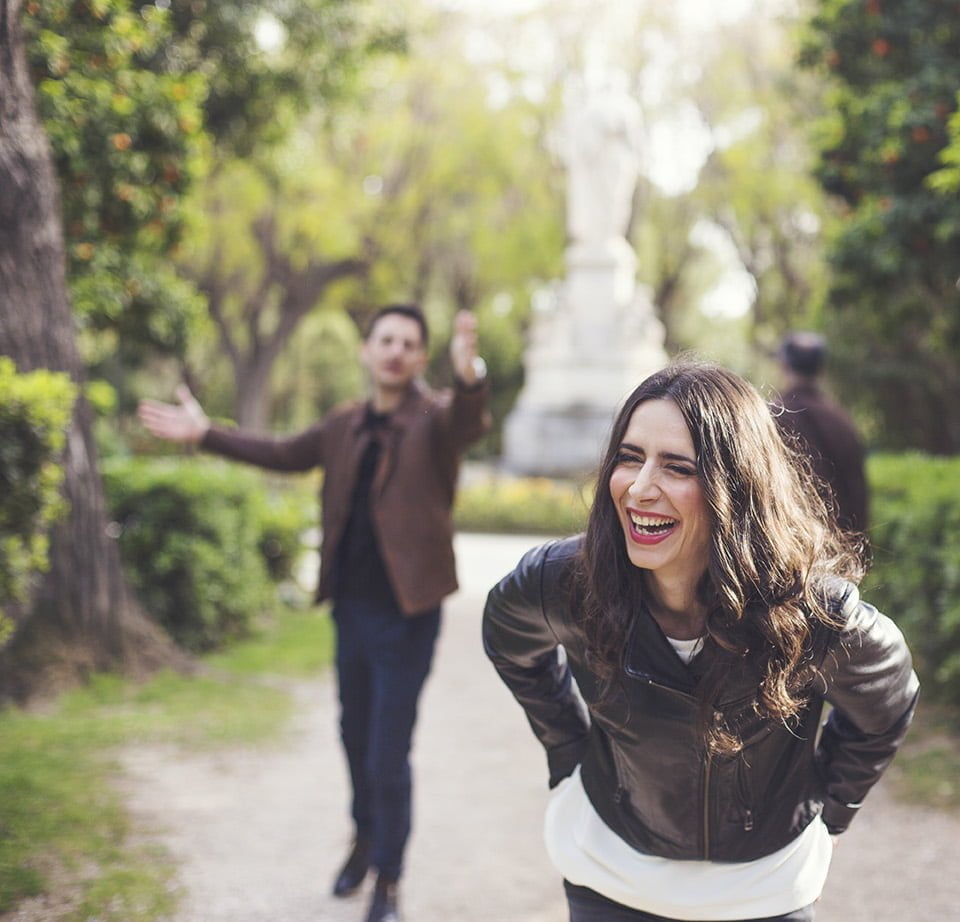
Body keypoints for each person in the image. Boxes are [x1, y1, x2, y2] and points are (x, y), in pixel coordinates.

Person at [482, 362, 919, 922]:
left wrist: (830, 809)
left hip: (763, 889)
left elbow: (889, 702)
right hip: (609, 872)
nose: (640, 489)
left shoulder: (814, 614)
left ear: (735, 486)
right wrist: (568, 748)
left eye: (677, 467)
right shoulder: (563, 582)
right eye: (630, 457)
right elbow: (508, 639)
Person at [138, 305, 490, 922]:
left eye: (409, 343)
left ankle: (388, 877)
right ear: (366, 349)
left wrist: (469, 376)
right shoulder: (344, 423)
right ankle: (362, 838)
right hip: (350, 609)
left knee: (387, 750)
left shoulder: (434, 418)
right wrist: (205, 434)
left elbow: (469, 421)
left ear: (420, 358)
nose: (396, 351)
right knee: (354, 738)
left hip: (407, 614)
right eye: (386, 339)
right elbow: (281, 452)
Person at [771, 332, 869, 535]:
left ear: (782, 365)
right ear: (821, 370)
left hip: (786, 545)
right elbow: (858, 494)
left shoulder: (770, 418)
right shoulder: (841, 421)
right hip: (841, 550)